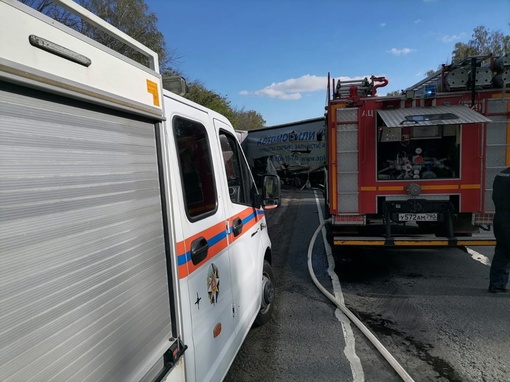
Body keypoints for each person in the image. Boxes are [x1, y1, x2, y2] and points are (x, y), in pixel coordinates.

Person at [488, 167, 510, 293]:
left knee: (502, 251)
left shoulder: (502, 174)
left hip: (500, 217)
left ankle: (496, 283)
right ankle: (498, 283)